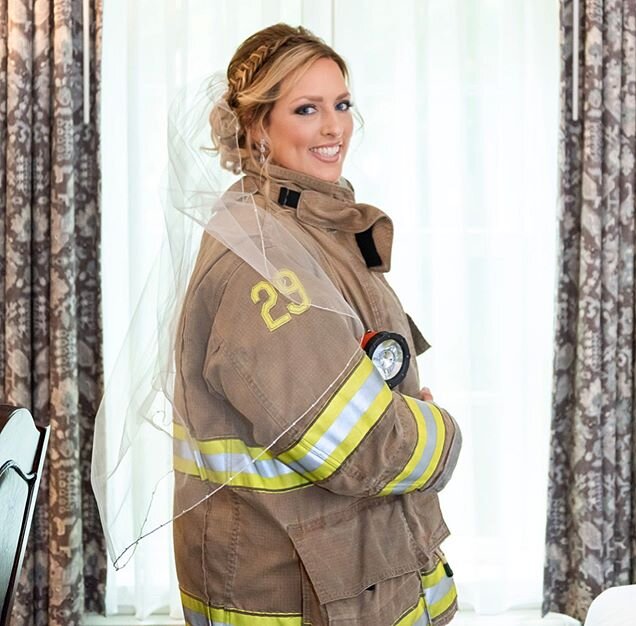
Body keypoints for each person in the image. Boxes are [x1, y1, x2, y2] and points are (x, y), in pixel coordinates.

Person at [172, 23, 462, 626]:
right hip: (296, 587)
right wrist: (440, 434)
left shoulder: (302, 225)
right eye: (307, 109)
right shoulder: (262, 256)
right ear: (256, 128)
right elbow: (359, 445)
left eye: (342, 104)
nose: (335, 128)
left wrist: (397, 408)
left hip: (350, 570)